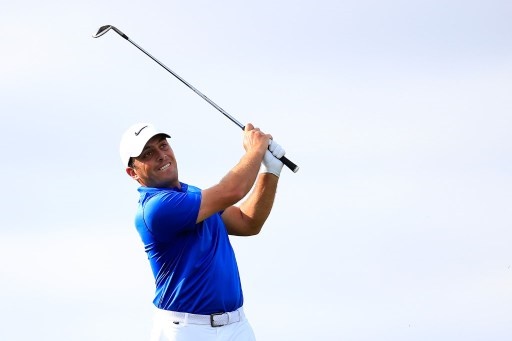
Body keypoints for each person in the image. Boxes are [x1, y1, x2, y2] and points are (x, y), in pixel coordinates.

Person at [119, 122, 286, 341]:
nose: (161, 155)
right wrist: (255, 150)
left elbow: (248, 222)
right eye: (148, 153)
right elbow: (232, 190)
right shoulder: (155, 208)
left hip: (237, 327)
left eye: (163, 146)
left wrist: (269, 171)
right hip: (186, 330)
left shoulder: (193, 196)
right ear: (133, 172)